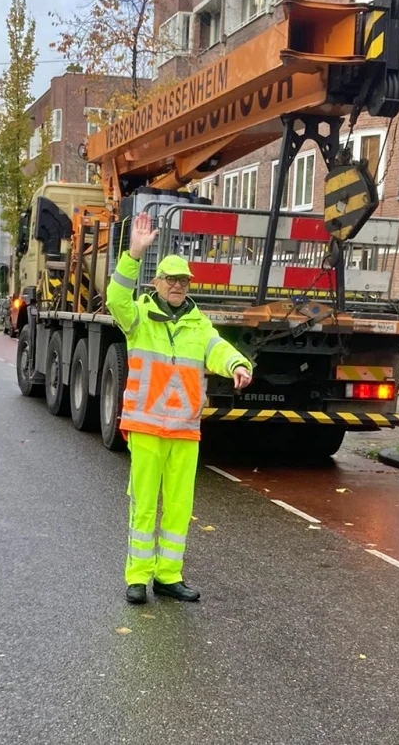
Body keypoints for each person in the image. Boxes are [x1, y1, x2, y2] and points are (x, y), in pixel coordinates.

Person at [106, 212, 253, 605]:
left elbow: (217, 349)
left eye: (183, 280)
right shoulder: (137, 317)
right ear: (157, 283)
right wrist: (133, 254)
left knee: (177, 508)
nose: (177, 285)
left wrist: (239, 364)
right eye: (170, 279)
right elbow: (115, 298)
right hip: (147, 428)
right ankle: (138, 577)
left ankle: (169, 576)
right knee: (142, 506)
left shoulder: (198, 324)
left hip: (185, 431)